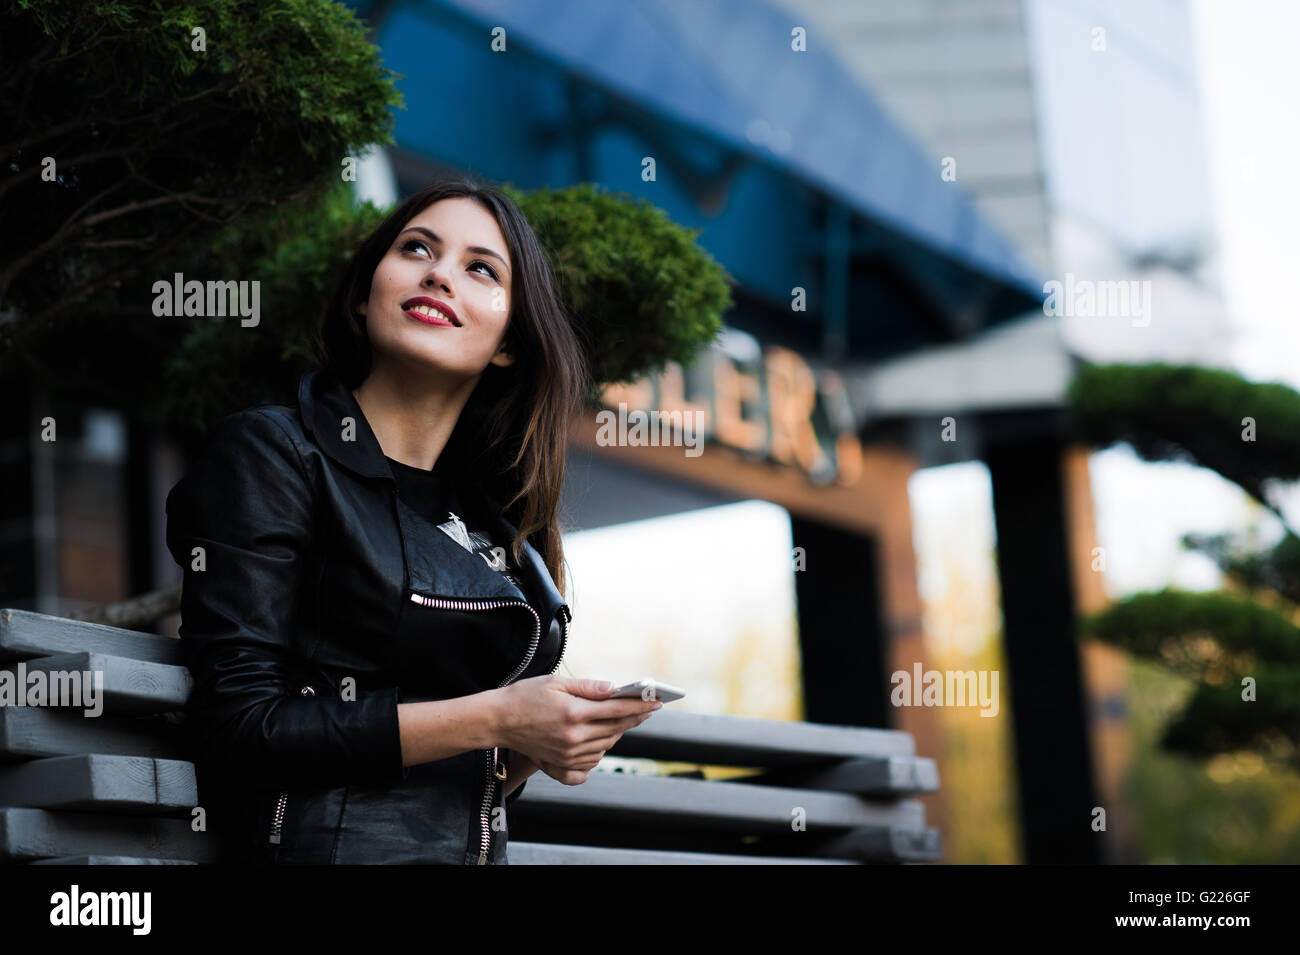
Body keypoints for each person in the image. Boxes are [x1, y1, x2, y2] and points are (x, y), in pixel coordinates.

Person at [164, 178, 662, 864]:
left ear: (510, 343)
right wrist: (498, 716)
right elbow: (240, 732)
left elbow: (451, 785)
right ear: (366, 296)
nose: (438, 272)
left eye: (479, 268)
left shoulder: (496, 522)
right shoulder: (275, 455)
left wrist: (533, 748)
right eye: (416, 248)